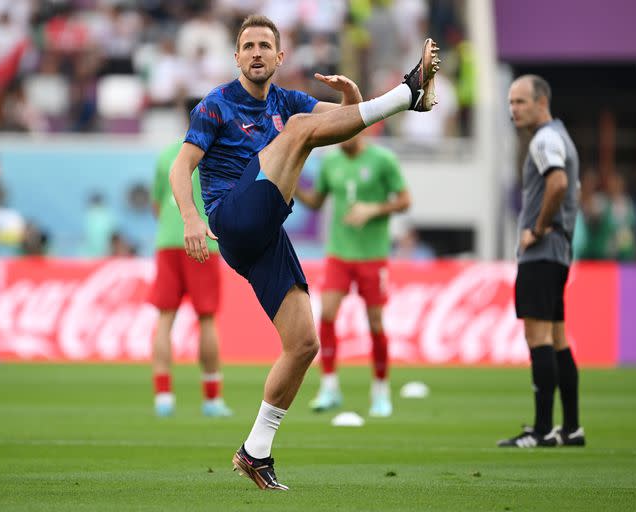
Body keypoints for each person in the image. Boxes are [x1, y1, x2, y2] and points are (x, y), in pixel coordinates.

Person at [170, 14, 439, 489]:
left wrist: (353, 97)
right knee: (297, 129)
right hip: (232, 216)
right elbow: (181, 167)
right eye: (247, 45)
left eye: (264, 46)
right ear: (236, 57)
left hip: (267, 230)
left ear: (280, 56)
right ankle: (407, 94)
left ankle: (255, 451)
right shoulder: (215, 105)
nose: (255, 52)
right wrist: (190, 218)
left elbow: (342, 127)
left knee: (303, 344)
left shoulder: (288, 100)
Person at [295, 132, 411, 417]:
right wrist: (293, 184)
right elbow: (317, 201)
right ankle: (329, 386)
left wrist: (374, 209)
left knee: (375, 323)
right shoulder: (330, 162)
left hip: (373, 254)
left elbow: (405, 201)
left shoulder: (383, 160)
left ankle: (381, 391)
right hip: (339, 253)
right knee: (327, 315)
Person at [498, 75, 584, 448]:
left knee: (539, 338)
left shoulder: (545, 139)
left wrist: (537, 227)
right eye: (511, 102)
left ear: (541, 102)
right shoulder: (562, 137)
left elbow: (559, 184)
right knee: (558, 338)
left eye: (520, 102)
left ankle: (543, 429)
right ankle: (571, 428)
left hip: (542, 251)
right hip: (559, 251)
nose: (513, 109)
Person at [149, 137, 232, 418]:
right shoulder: (217, 152)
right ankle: (212, 400)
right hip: (203, 241)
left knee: (164, 319)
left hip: (169, 241)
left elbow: (157, 205)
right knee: (206, 319)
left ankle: (163, 397)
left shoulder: (167, 155)